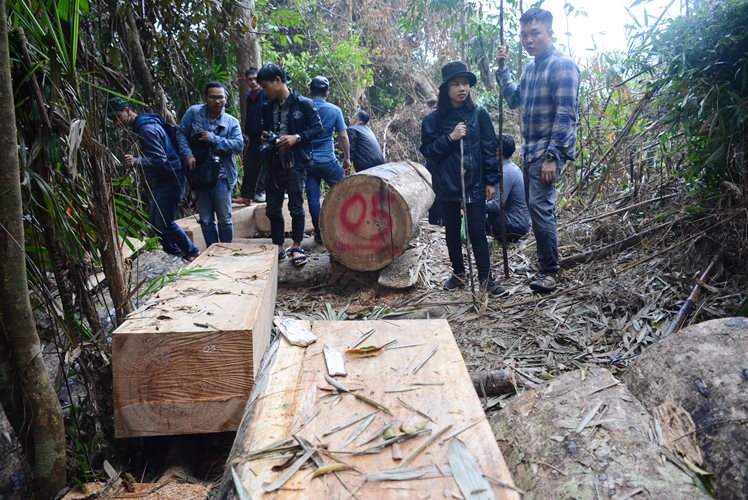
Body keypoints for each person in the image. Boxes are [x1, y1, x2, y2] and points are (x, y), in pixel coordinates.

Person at [495, 7, 580, 293]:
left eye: (535, 34)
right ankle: (546, 262)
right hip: (530, 152)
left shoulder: (562, 65)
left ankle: (550, 271)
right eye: (524, 35)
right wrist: (502, 69)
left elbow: (566, 114)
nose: (528, 40)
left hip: (546, 153)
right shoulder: (530, 69)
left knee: (541, 211)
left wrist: (552, 157)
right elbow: (514, 99)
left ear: (549, 33)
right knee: (536, 210)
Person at [420, 61, 505, 297]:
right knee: (452, 231)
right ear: (446, 88)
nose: (462, 88)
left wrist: (491, 180)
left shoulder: (479, 114)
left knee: (477, 231)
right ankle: (458, 273)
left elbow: (489, 148)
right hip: (447, 184)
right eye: (456, 83)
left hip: (475, 182)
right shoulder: (432, 120)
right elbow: (428, 152)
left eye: (465, 83)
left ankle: (486, 279)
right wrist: (451, 137)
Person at [107, 97, 200, 261]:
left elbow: (160, 160)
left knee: (164, 222)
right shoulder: (147, 123)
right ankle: (176, 255)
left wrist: (137, 161)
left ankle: (190, 251)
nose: (116, 123)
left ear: (128, 111)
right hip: (166, 178)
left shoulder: (146, 130)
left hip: (171, 178)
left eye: (118, 117)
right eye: (113, 119)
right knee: (156, 222)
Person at [256, 64, 323, 267]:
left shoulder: (304, 104)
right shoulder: (268, 106)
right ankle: (278, 245)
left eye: (265, 86)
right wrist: (266, 136)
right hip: (274, 163)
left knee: (295, 206)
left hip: (296, 162)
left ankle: (296, 246)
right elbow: (265, 129)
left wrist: (297, 137)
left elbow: (318, 129)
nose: (264, 91)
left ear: (278, 80)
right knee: (273, 208)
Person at [176, 82, 244, 247]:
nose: (217, 101)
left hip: (222, 176)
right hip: (199, 174)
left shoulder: (232, 122)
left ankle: (226, 252)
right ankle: (213, 252)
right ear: (205, 98)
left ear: (226, 99)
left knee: (225, 219)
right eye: (213, 97)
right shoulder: (194, 113)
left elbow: (238, 146)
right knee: (206, 219)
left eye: (220, 97)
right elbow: (181, 133)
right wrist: (188, 155)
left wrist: (214, 139)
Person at [307, 76, 350, 245]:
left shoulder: (303, 107)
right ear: (328, 93)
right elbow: (343, 136)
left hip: (308, 161)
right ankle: (348, 227)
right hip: (328, 161)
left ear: (309, 91)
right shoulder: (334, 110)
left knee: (312, 198)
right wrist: (347, 158)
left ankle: (320, 233)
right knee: (345, 193)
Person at [486, 134, 530, 242]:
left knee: (482, 215)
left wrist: (473, 205)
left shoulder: (505, 172)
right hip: (518, 221)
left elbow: (497, 205)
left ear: (497, 151)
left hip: (515, 225)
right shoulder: (509, 167)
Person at [236, 67, 268, 205]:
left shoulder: (265, 94)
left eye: (256, 79)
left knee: (264, 164)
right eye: (250, 79)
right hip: (254, 135)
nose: (253, 82)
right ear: (246, 81)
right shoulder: (250, 96)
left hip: (265, 135)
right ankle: (246, 196)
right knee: (250, 165)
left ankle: (260, 191)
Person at [422, 98, 444, 226]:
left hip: (436, 165)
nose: (424, 111)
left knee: (436, 193)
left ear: (432, 107)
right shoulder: (431, 120)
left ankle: (437, 221)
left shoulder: (435, 119)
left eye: (425, 107)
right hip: (432, 164)